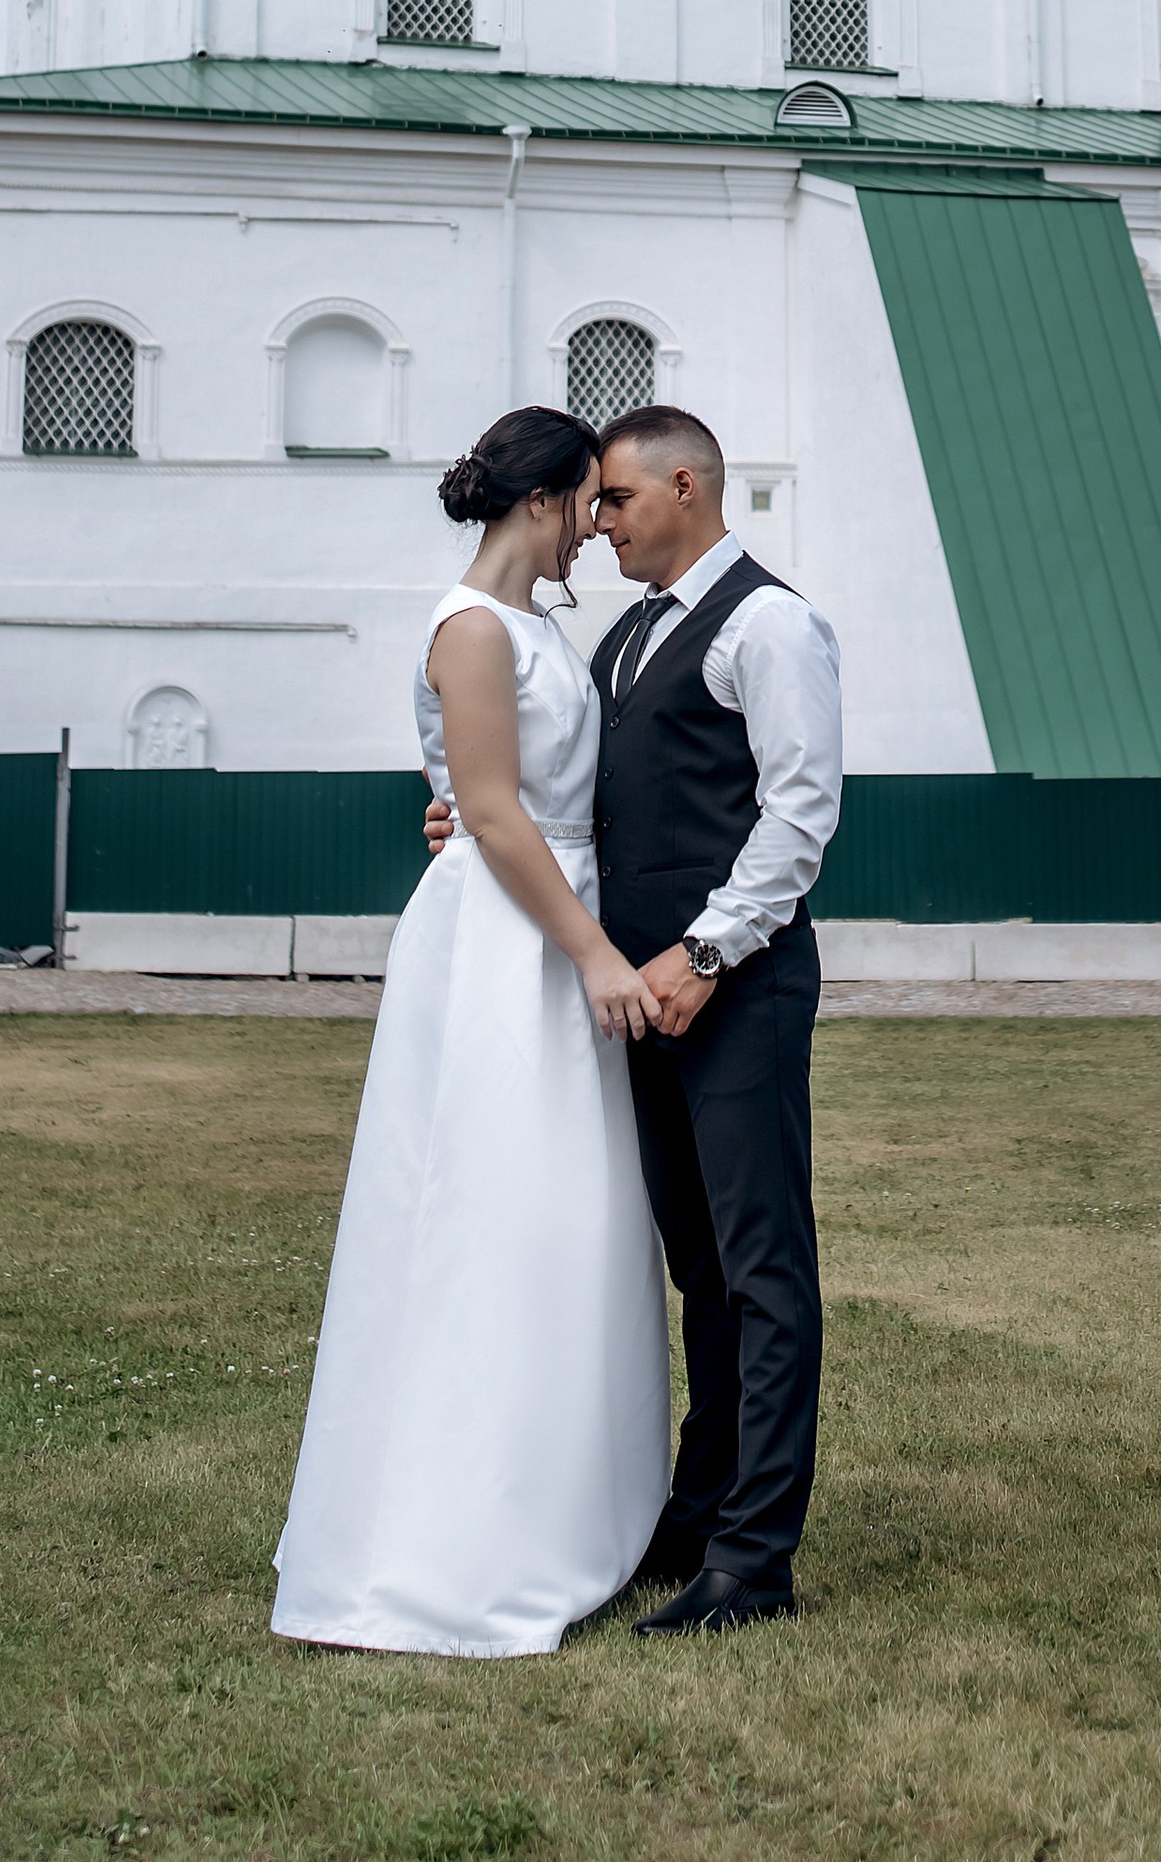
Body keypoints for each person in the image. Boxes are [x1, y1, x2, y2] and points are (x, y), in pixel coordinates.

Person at [427, 401, 843, 1634]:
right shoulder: (619, 640)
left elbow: (799, 814)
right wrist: (470, 820)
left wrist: (708, 952)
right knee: (697, 1266)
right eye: (592, 504)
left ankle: (754, 1558)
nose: (597, 522)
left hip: (734, 987)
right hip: (641, 996)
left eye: (615, 499)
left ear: (684, 487)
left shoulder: (770, 623)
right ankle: (699, 1509)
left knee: (764, 1268)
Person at [272, 406, 670, 1658]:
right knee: (492, 1210)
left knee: (569, 1216)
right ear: (544, 500)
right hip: (512, 949)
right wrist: (596, 952)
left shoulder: (535, 631)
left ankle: (572, 1503)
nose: (594, 537)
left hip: (544, 923)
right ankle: (464, 1529)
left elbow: (498, 801)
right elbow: (495, 817)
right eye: (587, 508)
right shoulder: (472, 628)